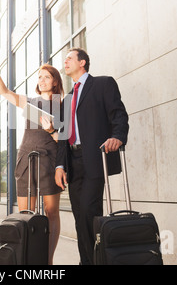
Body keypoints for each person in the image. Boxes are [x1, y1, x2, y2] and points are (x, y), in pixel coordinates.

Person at [0, 57, 64, 265]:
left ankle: (48, 259)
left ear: (55, 81)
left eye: (47, 77)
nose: (42, 80)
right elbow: (5, 93)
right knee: (25, 213)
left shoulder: (62, 105)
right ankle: (26, 259)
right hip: (26, 158)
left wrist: (51, 129)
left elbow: (64, 140)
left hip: (50, 158)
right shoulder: (30, 101)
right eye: (40, 77)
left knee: (51, 211)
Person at [55, 48, 129, 265]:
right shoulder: (67, 99)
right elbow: (62, 137)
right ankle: (89, 260)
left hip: (96, 158)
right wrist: (59, 165)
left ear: (83, 62)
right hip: (73, 163)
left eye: (69, 58)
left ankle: (93, 262)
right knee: (80, 217)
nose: (65, 61)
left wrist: (118, 136)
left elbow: (119, 114)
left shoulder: (103, 84)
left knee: (88, 210)